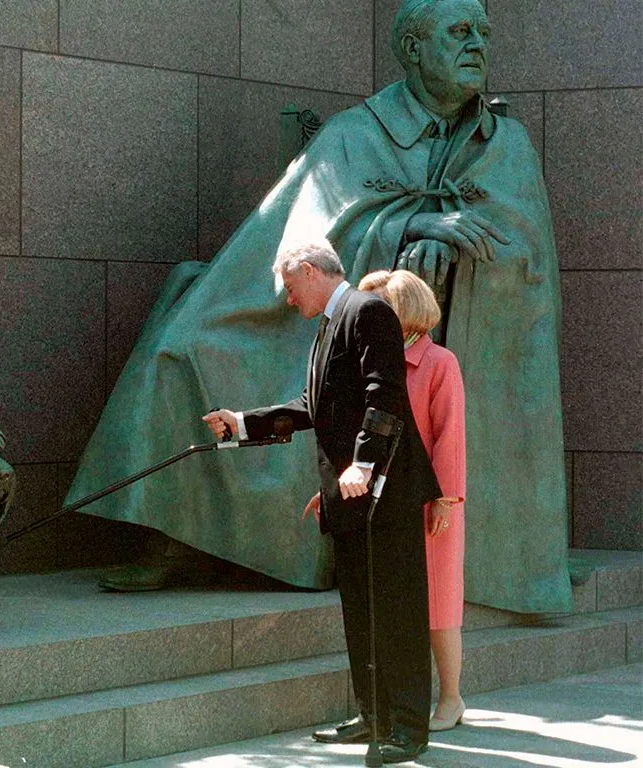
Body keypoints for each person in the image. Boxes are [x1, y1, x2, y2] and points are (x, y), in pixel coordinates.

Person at [68, 0, 571, 616]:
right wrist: (409, 225)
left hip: (423, 337)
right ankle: (182, 531)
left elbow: (525, 255)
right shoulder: (351, 134)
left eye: (484, 34)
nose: (478, 46)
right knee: (187, 343)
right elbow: (301, 242)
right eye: (460, 32)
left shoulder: (504, 142)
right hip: (311, 314)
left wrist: (446, 251)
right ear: (412, 48)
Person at [204, 242, 441, 763]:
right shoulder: (329, 327)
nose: (289, 299)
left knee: (395, 610)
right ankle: (373, 716)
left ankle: (406, 730)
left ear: (309, 270)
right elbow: (315, 406)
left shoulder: (368, 311)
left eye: (290, 286)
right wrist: (244, 424)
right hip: (351, 497)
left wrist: (364, 461)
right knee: (361, 610)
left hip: (382, 492)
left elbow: (385, 392)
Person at [357, 269, 467, 731]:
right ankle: (403, 702)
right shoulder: (375, 363)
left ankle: (451, 699)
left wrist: (445, 498)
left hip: (432, 503)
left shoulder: (440, 362)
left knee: (438, 606)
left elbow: (450, 436)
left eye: (379, 307)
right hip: (385, 498)